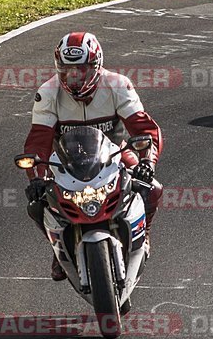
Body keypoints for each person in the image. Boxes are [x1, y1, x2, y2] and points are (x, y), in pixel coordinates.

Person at [23, 31, 163, 281]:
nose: (74, 77)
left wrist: (146, 163)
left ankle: (145, 233)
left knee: (151, 187)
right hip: (65, 162)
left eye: (81, 70)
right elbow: (38, 142)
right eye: (67, 70)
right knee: (37, 203)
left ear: (96, 66)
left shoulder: (118, 85)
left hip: (115, 154)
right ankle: (59, 249)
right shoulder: (47, 93)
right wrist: (36, 177)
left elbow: (144, 130)